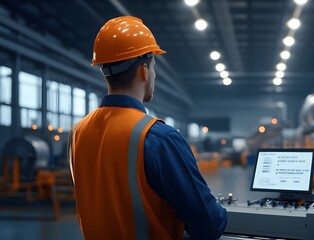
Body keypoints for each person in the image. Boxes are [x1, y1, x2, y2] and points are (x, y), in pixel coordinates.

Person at [68, 16, 227, 240]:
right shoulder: (157, 137)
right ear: (144, 70)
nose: (154, 75)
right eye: (154, 67)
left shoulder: (77, 132)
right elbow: (209, 226)